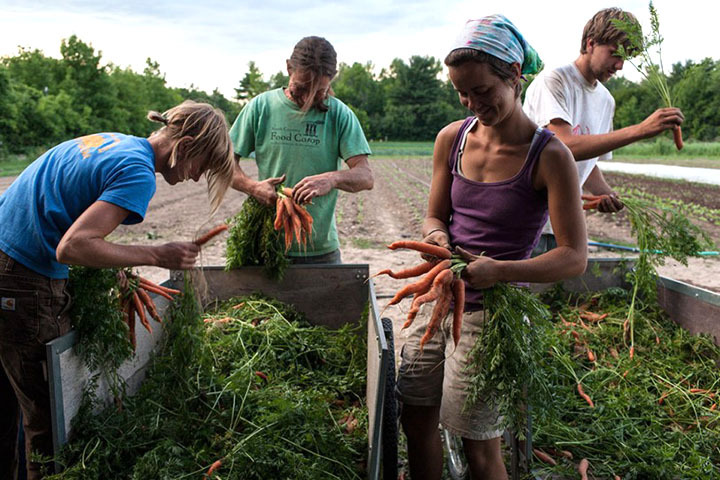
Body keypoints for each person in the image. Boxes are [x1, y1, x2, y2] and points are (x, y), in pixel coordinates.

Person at [395, 15, 588, 480]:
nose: (472, 103)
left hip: (494, 314)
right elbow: (435, 215)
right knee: (415, 417)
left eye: (483, 91)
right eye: (462, 93)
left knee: (478, 442)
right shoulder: (452, 139)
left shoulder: (550, 156)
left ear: (514, 77)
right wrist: (438, 238)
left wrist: (498, 270)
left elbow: (573, 256)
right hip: (438, 298)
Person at [0, 100, 236, 480]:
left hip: (5, 256)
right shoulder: (138, 173)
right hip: (24, 279)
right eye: (200, 167)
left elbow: (65, 214)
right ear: (187, 144)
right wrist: (158, 254)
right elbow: (72, 246)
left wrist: (116, 272)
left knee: (12, 398)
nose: (195, 177)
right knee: (49, 419)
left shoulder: (114, 142)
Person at [523, 7, 684, 253]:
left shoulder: (606, 100)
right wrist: (640, 129)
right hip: (527, 217)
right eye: (614, 54)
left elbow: (588, 162)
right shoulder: (555, 81)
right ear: (590, 43)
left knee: (563, 290)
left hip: (565, 222)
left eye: (625, 58)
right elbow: (563, 146)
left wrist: (606, 193)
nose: (619, 65)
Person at [229, 36, 374, 264]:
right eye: (302, 88)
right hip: (266, 248)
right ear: (289, 68)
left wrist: (331, 179)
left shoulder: (340, 115)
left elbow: (366, 176)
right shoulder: (260, 107)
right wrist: (253, 187)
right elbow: (225, 164)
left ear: (332, 78)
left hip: (320, 252)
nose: (307, 99)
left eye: (318, 92)